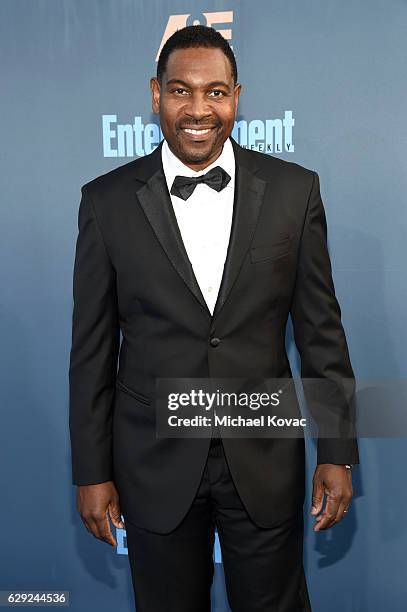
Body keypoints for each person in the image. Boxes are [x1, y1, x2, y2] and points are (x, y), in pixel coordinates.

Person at [69, 24, 359, 612]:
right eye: (181, 91)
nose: (198, 110)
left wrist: (337, 451)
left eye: (215, 93)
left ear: (236, 96)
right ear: (156, 96)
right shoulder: (105, 203)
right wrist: (90, 471)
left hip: (264, 456)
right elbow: (91, 354)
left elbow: (322, 333)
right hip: (153, 462)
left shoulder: (293, 192)